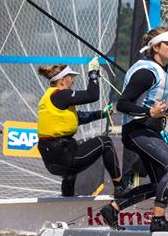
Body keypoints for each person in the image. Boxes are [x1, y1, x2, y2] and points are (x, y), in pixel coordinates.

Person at [99, 27, 168, 232]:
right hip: (137, 130)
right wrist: (148, 113)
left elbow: (161, 104)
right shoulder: (145, 73)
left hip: (150, 132)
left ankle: (113, 209)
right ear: (155, 47)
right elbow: (122, 104)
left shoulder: (167, 71)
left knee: (157, 184)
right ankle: (158, 220)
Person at [37, 58, 124, 198]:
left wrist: (101, 114)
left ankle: (67, 201)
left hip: (51, 161)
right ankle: (120, 187)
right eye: (71, 78)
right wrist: (93, 74)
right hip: (63, 155)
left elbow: (78, 118)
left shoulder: (47, 98)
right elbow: (92, 95)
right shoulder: (61, 94)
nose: (73, 81)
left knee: (70, 174)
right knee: (105, 142)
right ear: (63, 80)